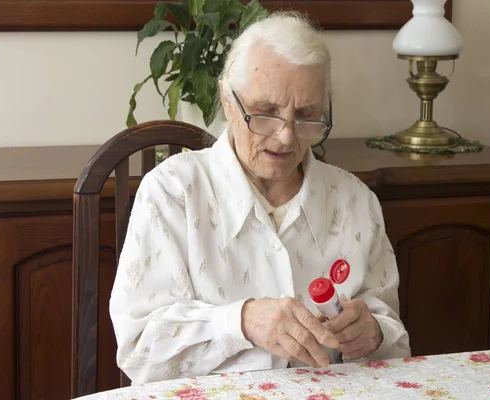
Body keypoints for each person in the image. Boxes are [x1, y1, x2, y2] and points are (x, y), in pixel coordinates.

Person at [109, 11, 411, 384]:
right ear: (227, 99)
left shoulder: (354, 201)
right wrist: (241, 322)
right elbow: (139, 350)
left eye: (307, 115)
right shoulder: (174, 192)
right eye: (266, 112)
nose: (286, 137)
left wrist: (374, 333)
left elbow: (394, 342)